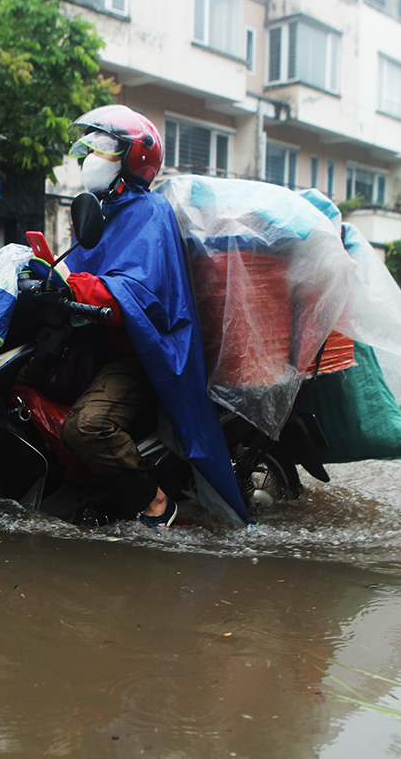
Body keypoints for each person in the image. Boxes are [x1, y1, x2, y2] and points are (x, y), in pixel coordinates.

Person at [56, 104, 245, 528]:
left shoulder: (148, 212)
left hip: (144, 353)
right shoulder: (102, 211)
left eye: (104, 148)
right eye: (90, 148)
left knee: (85, 427)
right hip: (97, 345)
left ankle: (156, 501)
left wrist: (68, 285)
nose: (91, 158)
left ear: (132, 158)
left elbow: (133, 292)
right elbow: (78, 269)